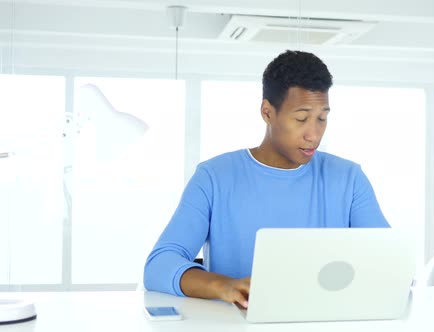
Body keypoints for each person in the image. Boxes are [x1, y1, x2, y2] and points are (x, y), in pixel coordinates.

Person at [143, 50, 389, 308]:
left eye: (322, 118)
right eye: (302, 118)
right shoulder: (214, 177)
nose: (314, 134)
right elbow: (159, 265)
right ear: (267, 112)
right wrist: (223, 285)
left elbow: (388, 263)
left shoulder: (349, 180)